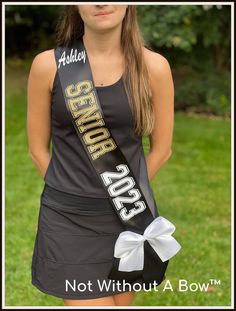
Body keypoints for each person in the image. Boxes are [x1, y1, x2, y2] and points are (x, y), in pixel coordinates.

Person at [27, 4, 174, 307]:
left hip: (127, 213)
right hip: (68, 219)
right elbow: (37, 148)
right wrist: (68, 190)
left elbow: (162, 150)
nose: (101, 3)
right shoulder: (48, 66)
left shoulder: (153, 68)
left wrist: (125, 192)